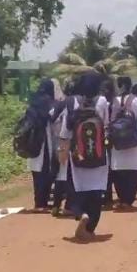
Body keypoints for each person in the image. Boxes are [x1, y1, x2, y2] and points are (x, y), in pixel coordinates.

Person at [59, 72, 110, 241]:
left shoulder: (73, 102)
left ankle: (81, 214)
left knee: (77, 188)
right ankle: (89, 228)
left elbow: (66, 131)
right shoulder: (102, 101)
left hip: (78, 155)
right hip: (99, 155)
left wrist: (63, 152)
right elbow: (106, 126)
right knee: (96, 192)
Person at [110, 76, 137, 210]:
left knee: (118, 170)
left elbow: (111, 120)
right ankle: (128, 201)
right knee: (133, 170)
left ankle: (121, 198)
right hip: (133, 140)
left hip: (117, 140)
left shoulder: (115, 101)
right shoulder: (135, 100)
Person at [27, 79, 56, 213]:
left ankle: (39, 202)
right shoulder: (48, 102)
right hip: (44, 141)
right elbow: (52, 116)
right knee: (46, 171)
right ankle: (42, 203)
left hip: (32, 142)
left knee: (37, 173)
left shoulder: (33, 101)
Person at [51, 80, 76, 217]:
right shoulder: (74, 103)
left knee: (60, 175)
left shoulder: (59, 103)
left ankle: (55, 205)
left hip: (57, 142)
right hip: (69, 142)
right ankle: (68, 206)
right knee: (70, 175)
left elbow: (51, 117)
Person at [100, 78, 116, 209]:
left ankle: (108, 195)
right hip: (105, 136)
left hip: (108, 137)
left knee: (108, 166)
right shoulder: (104, 102)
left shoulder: (110, 103)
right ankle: (106, 195)